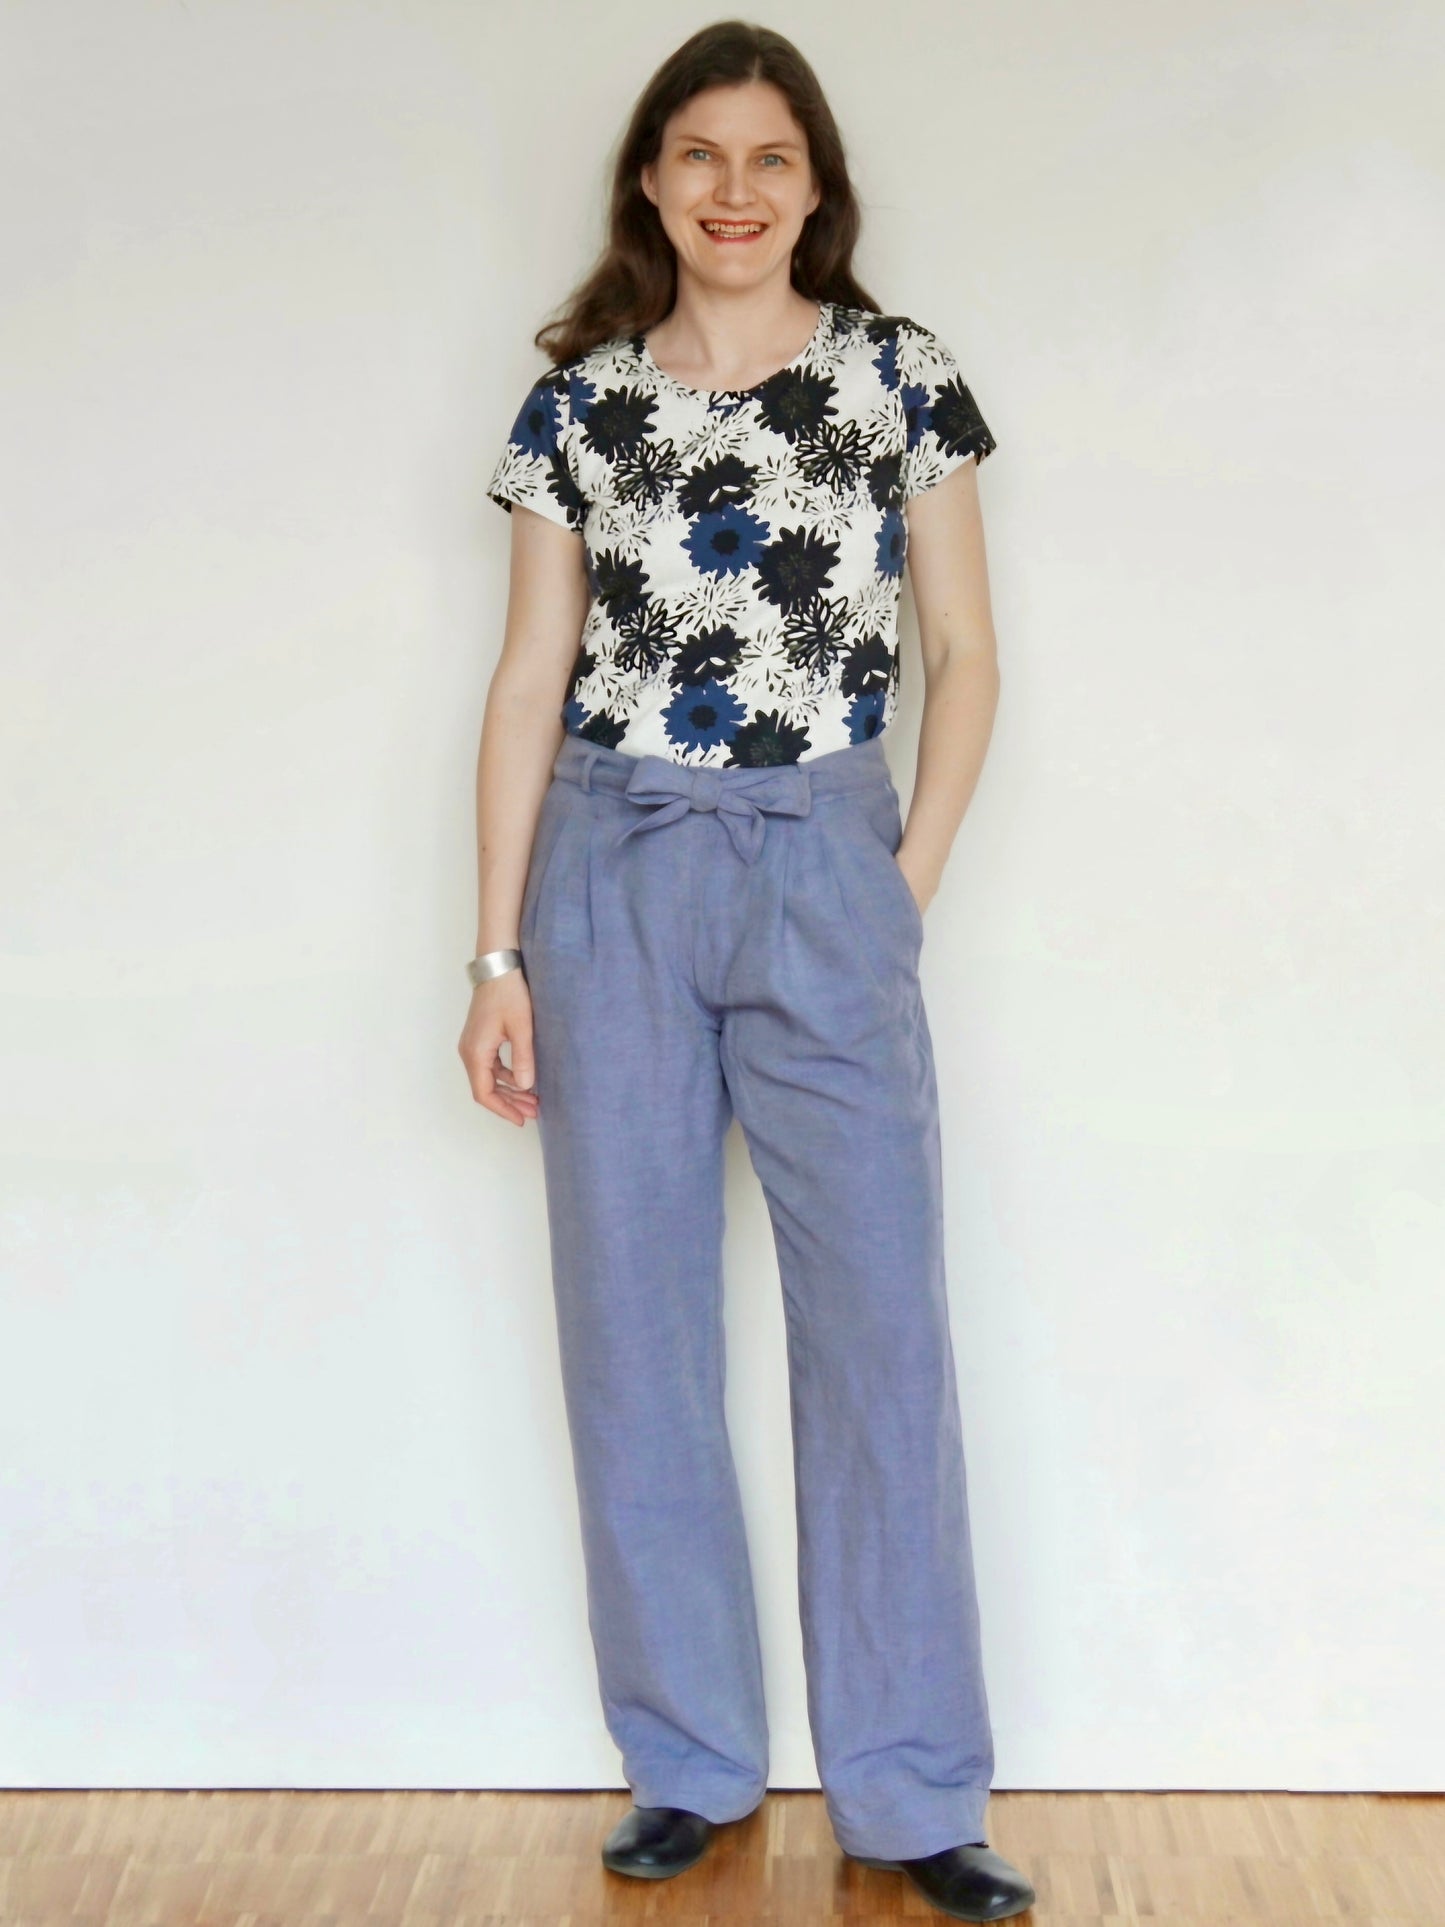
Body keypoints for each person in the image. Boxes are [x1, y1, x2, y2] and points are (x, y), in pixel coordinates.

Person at [459, 20, 1035, 1924]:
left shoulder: (896, 377)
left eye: (768, 157)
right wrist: (495, 952)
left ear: (814, 186)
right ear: (648, 178)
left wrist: (899, 879)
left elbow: (964, 652)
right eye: (697, 154)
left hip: (821, 859)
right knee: (631, 1331)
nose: (732, 189)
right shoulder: (578, 407)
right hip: (610, 868)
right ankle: (688, 1766)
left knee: (878, 1336)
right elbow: (528, 680)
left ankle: (912, 1791)